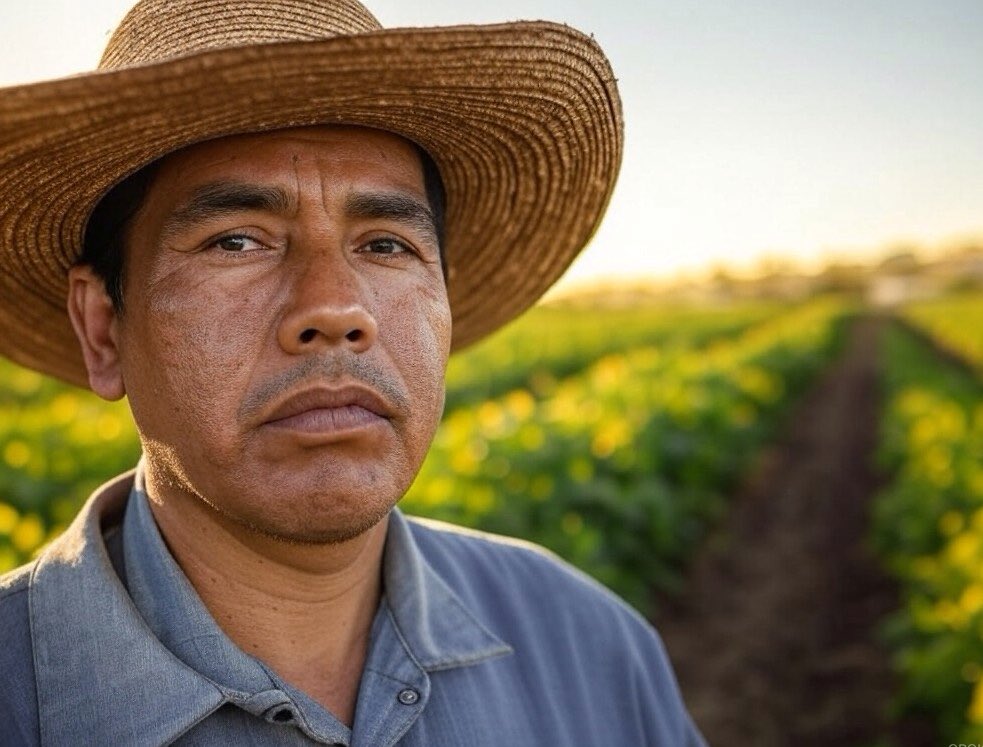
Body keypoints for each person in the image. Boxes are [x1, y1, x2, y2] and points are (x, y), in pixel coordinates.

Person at [0, 0, 706, 744]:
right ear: (104, 327)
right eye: (236, 241)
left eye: (386, 244)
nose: (336, 307)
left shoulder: (590, 644)